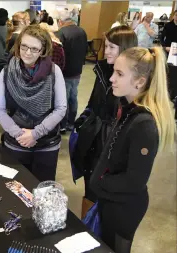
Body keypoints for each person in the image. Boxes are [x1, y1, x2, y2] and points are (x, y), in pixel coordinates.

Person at [90, 46, 175, 253]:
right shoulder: (128, 109)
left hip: (123, 208)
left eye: (119, 74)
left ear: (139, 81)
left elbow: (135, 180)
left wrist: (101, 181)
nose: (112, 79)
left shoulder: (143, 125)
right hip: (111, 200)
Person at [72, 26, 138, 218]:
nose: (106, 50)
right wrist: (83, 123)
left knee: (105, 191)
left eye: (111, 47)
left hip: (112, 143)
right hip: (93, 137)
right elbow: (93, 103)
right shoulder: (102, 69)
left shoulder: (133, 82)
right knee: (90, 184)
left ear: (125, 49)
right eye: (106, 46)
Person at [0, 25, 67, 182]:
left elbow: (61, 108)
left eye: (34, 49)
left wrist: (35, 134)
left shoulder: (54, 71)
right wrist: (20, 135)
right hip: (16, 141)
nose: (27, 52)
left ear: (43, 50)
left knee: (43, 189)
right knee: (16, 188)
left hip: (47, 143)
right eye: (24, 46)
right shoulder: (7, 71)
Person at [57, 10, 87, 132]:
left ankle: (63, 125)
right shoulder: (82, 31)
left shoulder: (61, 33)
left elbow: (59, 55)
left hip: (65, 71)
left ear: (60, 21)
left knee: (63, 99)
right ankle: (71, 123)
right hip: (77, 70)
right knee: (73, 97)